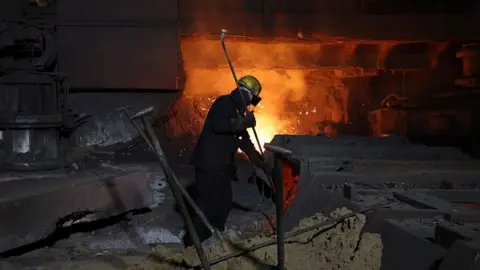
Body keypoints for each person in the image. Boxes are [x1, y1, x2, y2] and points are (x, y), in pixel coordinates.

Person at [184, 75, 270, 246]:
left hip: (222, 168)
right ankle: (194, 246)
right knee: (205, 206)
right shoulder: (224, 103)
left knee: (223, 203)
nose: (250, 104)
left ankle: (213, 238)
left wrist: (262, 164)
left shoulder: (239, 115)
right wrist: (243, 122)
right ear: (247, 95)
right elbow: (219, 125)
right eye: (251, 99)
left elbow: (246, 145)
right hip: (208, 165)